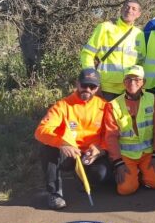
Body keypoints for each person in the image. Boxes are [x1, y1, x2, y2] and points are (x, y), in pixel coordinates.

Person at [35, 68, 112, 209]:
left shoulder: (105, 106)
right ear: (77, 84)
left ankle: (82, 178)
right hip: (69, 154)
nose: (87, 89)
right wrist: (62, 143)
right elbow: (40, 131)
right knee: (48, 148)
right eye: (84, 85)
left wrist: (101, 149)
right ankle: (54, 193)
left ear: (97, 88)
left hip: (91, 155)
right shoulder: (62, 106)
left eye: (92, 87)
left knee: (102, 175)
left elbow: (111, 134)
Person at [103, 66, 155, 195]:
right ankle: (130, 176)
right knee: (126, 189)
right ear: (123, 82)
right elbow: (111, 137)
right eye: (128, 79)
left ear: (144, 82)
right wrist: (118, 163)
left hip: (148, 153)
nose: (132, 83)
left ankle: (141, 176)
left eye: (137, 79)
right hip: (126, 155)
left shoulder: (153, 99)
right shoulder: (113, 105)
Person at [81, 0, 146, 100]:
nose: (129, 10)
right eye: (127, 7)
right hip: (105, 88)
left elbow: (141, 62)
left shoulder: (139, 34)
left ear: (138, 14)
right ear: (121, 9)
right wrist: (92, 80)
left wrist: (138, 86)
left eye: (134, 9)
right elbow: (87, 54)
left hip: (128, 89)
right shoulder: (105, 27)